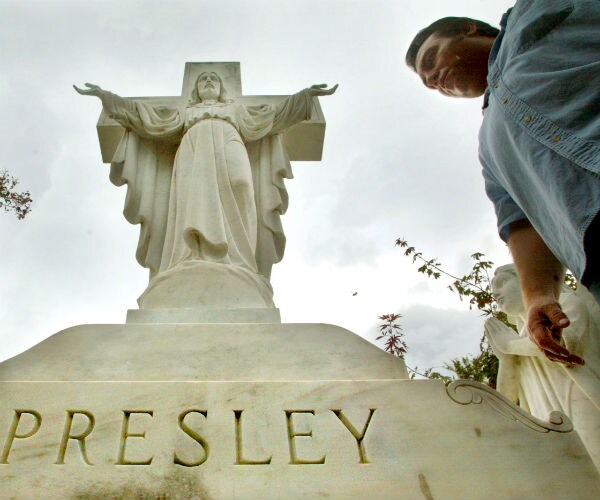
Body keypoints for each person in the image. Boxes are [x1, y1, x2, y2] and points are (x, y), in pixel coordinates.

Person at [405, 2, 600, 366]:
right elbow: (520, 220)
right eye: (425, 81)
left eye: (431, 59)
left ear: (467, 29)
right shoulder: (490, 145)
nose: (431, 79)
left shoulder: (533, 12)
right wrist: (538, 296)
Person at [74, 73, 337, 308]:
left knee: (242, 186)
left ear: (221, 88)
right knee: (196, 198)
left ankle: (239, 261)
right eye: (203, 80)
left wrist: (306, 97)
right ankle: (194, 254)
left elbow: (275, 117)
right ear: (196, 89)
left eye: (213, 79)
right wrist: (106, 97)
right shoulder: (186, 113)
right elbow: (147, 119)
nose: (208, 82)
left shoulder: (236, 111)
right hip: (194, 147)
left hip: (231, 139)